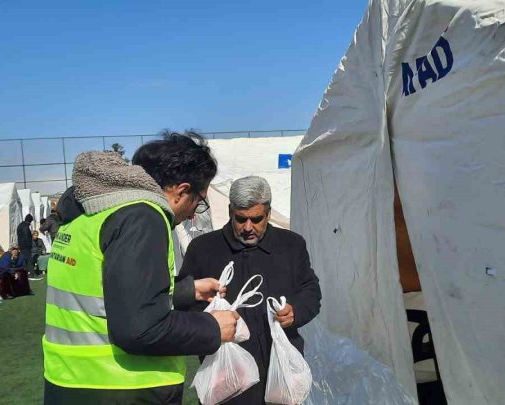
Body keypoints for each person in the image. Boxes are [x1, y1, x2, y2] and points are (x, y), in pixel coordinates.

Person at [43, 130, 241, 404]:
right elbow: (140, 329)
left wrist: (186, 291)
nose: (195, 212)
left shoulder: (89, 213)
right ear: (182, 191)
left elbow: (109, 295)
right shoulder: (142, 216)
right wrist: (211, 328)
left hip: (69, 381)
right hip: (123, 388)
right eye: (200, 200)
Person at [181, 176, 322, 405]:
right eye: (241, 219)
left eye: (256, 219)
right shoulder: (203, 249)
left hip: (280, 370)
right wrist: (210, 317)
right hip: (226, 373)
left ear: (268, 213)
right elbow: (186, 303)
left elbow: (310, 290)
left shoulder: (292, 245)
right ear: (230, 212)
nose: (248, 228)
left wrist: (295, 311)